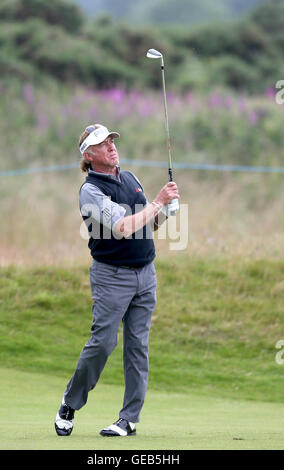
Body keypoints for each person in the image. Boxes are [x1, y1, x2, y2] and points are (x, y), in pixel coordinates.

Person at [54, 123, 179, 437]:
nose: (111, 146)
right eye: (102, 143)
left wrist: (167, 212)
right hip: (112, 277)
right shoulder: (90, 191)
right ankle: (70, 401)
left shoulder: (131, 178)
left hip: (145, 274)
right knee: (103, 343)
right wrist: (159, 203)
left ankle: (129, 419)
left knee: (138, 347)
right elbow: (123, 227)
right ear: (90, 154)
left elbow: (147, 225)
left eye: (111, 140)